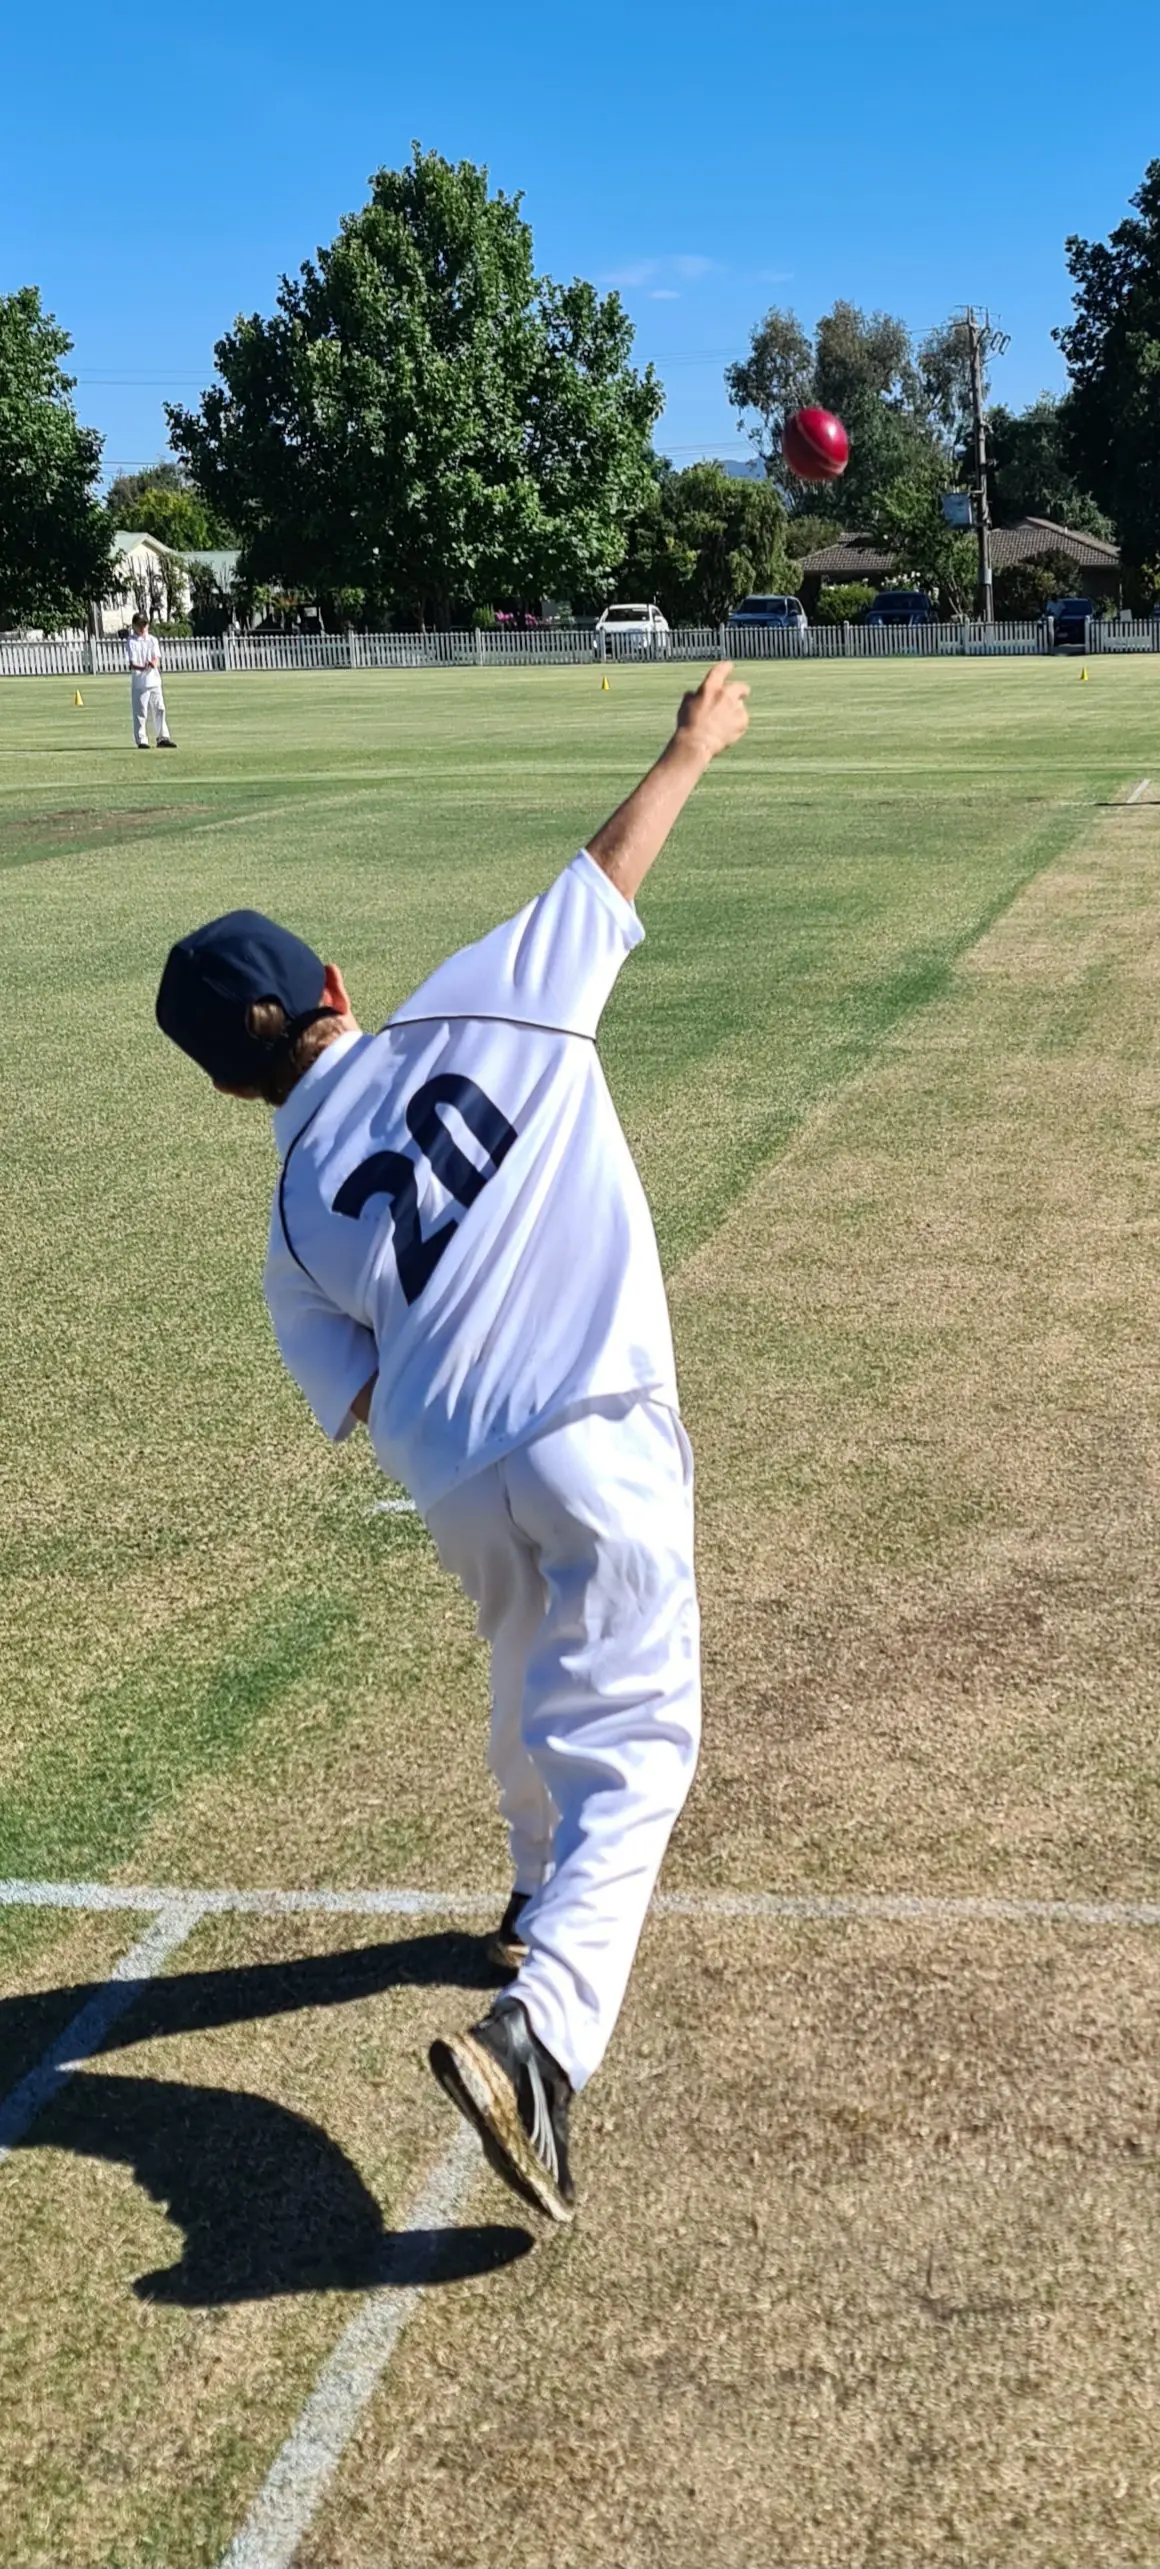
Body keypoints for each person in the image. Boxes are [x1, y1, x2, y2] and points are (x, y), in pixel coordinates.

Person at [155, 661, 750, 2223]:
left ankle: (525, 1885)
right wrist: (691, 740)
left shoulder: (290, 1212)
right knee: (640, 1738)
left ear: (231, 1083)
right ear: (338, 980)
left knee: (522, 1649)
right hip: (589, 1419)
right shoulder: (483, 992)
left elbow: (347, 1388)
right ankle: (541, 2036)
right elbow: (611, 866)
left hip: (449, 1461)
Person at [127, 611, 176, 749]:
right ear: (134, 626)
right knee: (141, 711)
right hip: (140, 682)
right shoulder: (132, 641)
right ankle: (142, 740)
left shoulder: (153, 640)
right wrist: (142, 667)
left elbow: (157, 658)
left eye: (144, 625)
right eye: (139, 625)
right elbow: (132, 663)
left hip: (154, 680)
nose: (142, 628)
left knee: (160, 709)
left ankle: (163, 737)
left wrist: (154, 664)